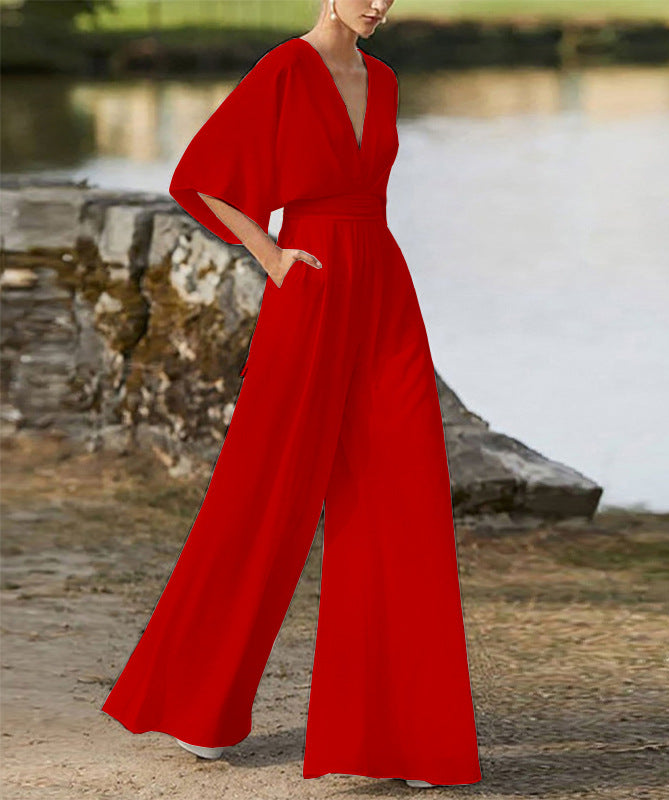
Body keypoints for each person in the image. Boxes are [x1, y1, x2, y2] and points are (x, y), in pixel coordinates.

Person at [100, 0, 482, 789]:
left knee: (404, 490)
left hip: (382, 285)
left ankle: (406, 735)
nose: (379, 4)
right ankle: (197, 704)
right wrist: (270, 254)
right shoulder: (283, 68)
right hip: (309, 281)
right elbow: (200, 177)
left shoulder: (385, 79)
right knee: (267, 489)